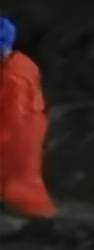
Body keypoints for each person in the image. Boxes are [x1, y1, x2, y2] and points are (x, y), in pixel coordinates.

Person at [0, 17, 52, 221]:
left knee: (21, 187)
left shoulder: (14, 77)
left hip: (18, 134)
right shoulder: (21, 64)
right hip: (25, 128)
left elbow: (14, 118)